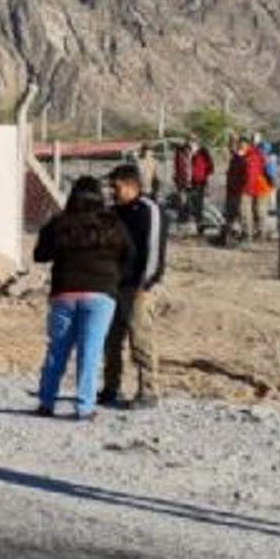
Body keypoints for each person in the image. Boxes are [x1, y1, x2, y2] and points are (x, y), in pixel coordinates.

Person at [32, 175, 134, 420]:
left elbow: (40, 255)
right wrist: (115, 277)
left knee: (57, 350)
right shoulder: (113, 223)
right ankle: (84, 406)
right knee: (91, 351)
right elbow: (130, 255)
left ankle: (46, 402)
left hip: (64, 292)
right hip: (101, 294)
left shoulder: (59, 223)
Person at [100, 164, 165, 411]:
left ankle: (149, 390)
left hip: (139, 288)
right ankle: (110, 387)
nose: (112, 192)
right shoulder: (115, 211)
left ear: (130, 185)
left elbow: (153, 251)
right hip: (114, 285)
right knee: (112, 340)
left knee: (141, 339)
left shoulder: (148, 210)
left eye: (116, 187)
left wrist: (145, 284)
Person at [185, 135, 212, 227]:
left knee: (198, 203)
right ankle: (192, 223)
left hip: (199, 181)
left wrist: (202, 175)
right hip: (187, 181)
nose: (191, 142)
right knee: (189, 203)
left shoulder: (202, 152)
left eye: (193, 140)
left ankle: (199, 224)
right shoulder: (185, 152)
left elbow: (210, 167)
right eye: (190, 140)